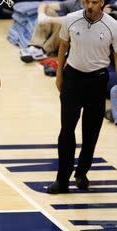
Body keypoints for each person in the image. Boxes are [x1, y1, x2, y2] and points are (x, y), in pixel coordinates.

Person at [47, 0, 117, 194]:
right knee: (67, 129)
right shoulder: (71, 19)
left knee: (91, 132)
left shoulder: (112, 25)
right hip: (73, 79)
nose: (90, 5)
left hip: (97, 81)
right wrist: (59, 75)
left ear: (102, 2)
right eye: (87, 1)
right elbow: (63, 46)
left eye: (94, 1)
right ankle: (62, 180)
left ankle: (82, 173)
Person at [19, 0, 83, 63]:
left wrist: (48, 19)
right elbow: (44, 5)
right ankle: (36, 47)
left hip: (78, 39)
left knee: (66, 25)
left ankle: (45, 50)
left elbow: (72, 19)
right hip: (64, 38)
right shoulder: (74, 3)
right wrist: (41, 15)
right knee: (48, 11)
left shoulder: (90, 6)